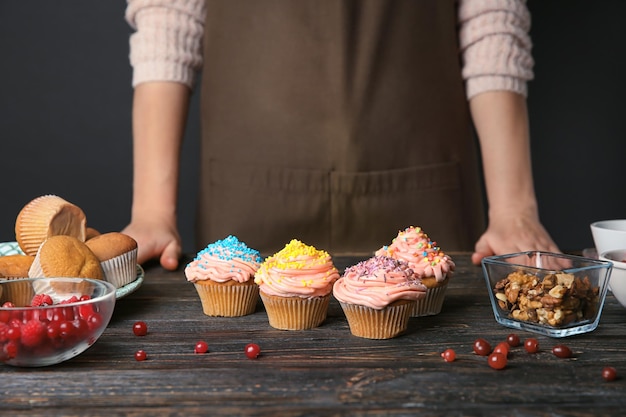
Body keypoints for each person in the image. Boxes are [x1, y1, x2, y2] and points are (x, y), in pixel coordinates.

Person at [122, 0, 560, 271]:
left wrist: (513, 208)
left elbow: (493, 19)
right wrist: (153, 211)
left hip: (426, 189)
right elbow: (168, 21)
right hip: (247, 199)